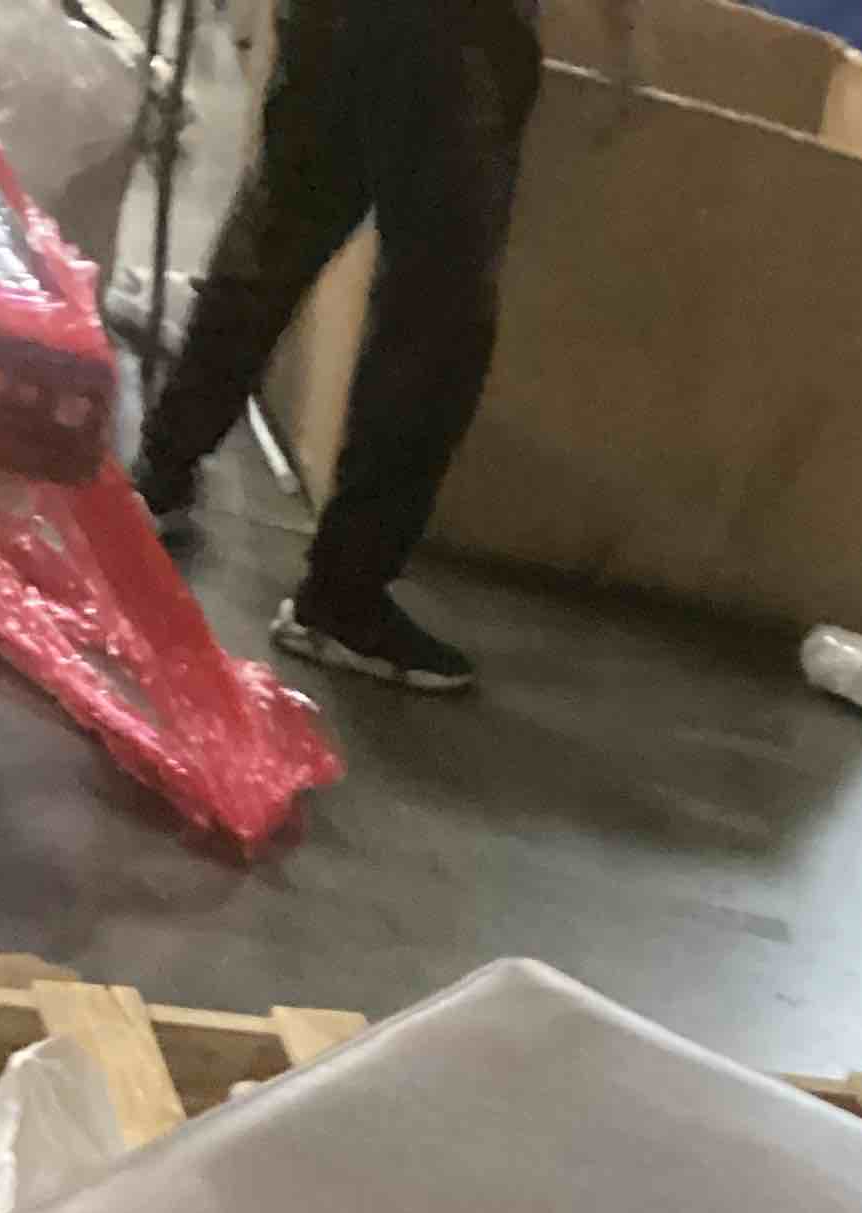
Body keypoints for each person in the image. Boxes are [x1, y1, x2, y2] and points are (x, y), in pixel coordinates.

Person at [137, 0, 631, 694]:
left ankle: (159, 477)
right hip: (452, 32)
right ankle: (343, 598)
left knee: (280, 227)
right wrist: (621, 36)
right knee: (435, 316)